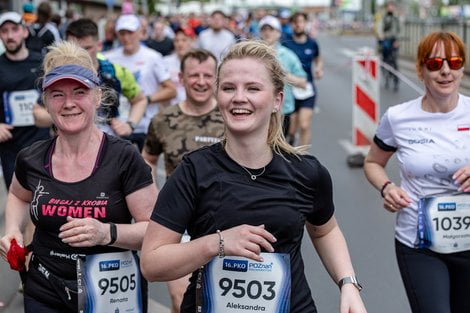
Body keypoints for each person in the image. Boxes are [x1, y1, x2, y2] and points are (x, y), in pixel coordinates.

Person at [141, 41, 367, 313]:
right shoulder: (194, 171)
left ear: (277, 100)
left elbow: (325, 230)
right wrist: (218, 243)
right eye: (228, 88)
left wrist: (348, 284)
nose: (238, 97)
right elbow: (151, 263)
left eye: (252, 88)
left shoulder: (306, 172)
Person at [0, 41, 157, 312]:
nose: (69, 103)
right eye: (57, 94)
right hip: (44, 287)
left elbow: (156, 230)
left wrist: (105, 232)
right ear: (46, 103)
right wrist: (13, 229)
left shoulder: (124, 157)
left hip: (112, 291)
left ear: (97, 97)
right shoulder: (32, 157)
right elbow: (17, 194)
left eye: (79, 92)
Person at [363, 31, 470, 313]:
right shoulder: (398, 117)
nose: (445, 70)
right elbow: (373, 162)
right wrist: (387, 188)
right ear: (421, 70)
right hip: (419, 243)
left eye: (454, 62)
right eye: (435, 64)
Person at [143, 48, 224, 313]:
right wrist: (153, 201)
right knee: (181, 301)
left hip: (228, 222)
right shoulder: (163, 120)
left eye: (207, 75)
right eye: (194, 75)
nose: (201, 81)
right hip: (181, 225)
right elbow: (148, 160)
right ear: (181, 78)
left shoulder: (232, 115)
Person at [33, 18, 147, 142]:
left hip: (110, 147)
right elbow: (38, 114)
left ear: (99, 45)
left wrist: (130, 125)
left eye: (86, 48)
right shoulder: (57, 75)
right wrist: (66, 114)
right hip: (68, 147)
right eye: (75, 48)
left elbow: (140, 100)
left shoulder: (115, 72)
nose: (81, 55)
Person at [105, 14, 176, 151]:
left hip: (146, 125)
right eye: (122, 33)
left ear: (140, 33)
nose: (126, 38)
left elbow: (171, 90)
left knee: (147, 168)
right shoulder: (109, 58)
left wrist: (145, 100)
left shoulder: (153, 57)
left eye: (130, 33)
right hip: (118, 127)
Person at [0, 11, 50, 189]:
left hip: (43, 143)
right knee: (18, 200)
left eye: (14, 29)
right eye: (4, 31)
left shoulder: (42, 62)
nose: (10, 36)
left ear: (25, 32)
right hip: (11, 147)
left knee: (43, 203)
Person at [258, 15, 308, 138]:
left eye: (271, 29)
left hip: (282, 110)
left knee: (278, 149)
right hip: (258, 109)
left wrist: (282, 74)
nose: (267, 32)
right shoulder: (253, 55)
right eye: (264, 29)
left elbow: (303, 82)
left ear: (279, 33)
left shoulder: (288, 55)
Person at [283, 12, 323, 146]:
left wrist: (319, 68)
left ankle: (304, 158)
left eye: (301, 21)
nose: (298, 25)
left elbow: (318, 59)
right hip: (289, 89)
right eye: (295, 22)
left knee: (305, 125)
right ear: (291, 24)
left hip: (307, 88)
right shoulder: (286, 42)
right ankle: (292, 139)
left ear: (306, 23)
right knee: (292, 127)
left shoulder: (312, 43)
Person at [163, 26, 196, 106]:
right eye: (176, 41)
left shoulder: (199, 63)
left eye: (184, 40)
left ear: (192, 41)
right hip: (172, 111)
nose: (180, 44)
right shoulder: (165, 62)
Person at [376, 1, 400, 91]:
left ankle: (396, 80)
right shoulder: (384, 18)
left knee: (394, 61)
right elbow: (380, 27)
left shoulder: (396, 18)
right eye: (389, 6)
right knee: (384, 60)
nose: (391, 8)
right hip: (386, 41)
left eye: (392, 6)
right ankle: (385, 76)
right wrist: (381, 35)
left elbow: (400, 30)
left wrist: (398, 40)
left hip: (394, 41)